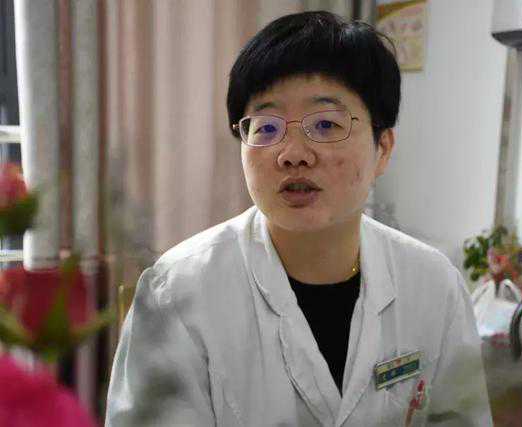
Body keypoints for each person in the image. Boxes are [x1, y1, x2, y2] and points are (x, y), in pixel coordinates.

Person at [106, 11, 492, 427]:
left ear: (382, 148)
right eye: (266, 127)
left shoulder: (433, 285)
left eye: (325, 124)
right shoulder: (178, 293)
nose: (292, 154)